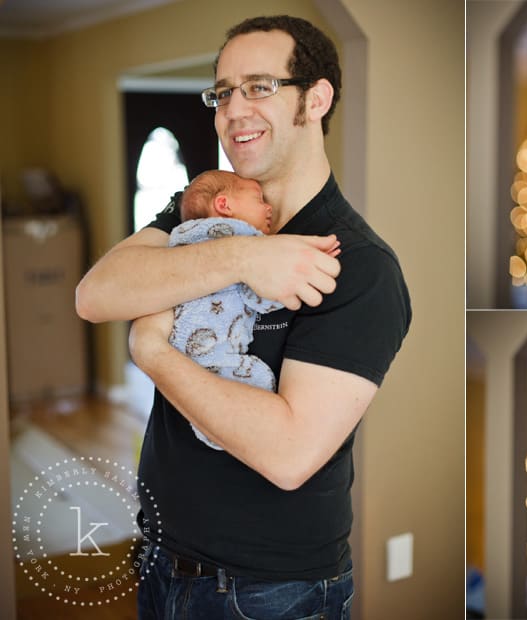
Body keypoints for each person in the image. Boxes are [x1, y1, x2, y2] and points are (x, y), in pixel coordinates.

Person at [75, 15, 411, 619]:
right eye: (223, 92)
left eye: (259, 87)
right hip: (158, 558)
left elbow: (288, 455)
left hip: (265, 593)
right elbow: (95, 295)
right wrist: (244, 256)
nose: (233, 110)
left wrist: (151, 353)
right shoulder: (200, 209)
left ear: (316, 99)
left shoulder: (358, 266)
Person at [171, 169, 336, 450]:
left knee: (207, 404)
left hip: (181, 345)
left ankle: (209, 428)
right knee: (258, 382)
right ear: (225, 206)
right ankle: (223, 433)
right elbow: (260, 293)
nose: (268, 206)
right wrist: (301, 277)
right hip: (217, 351)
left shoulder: (181, 239)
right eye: (258, 198)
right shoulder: (246, 240)